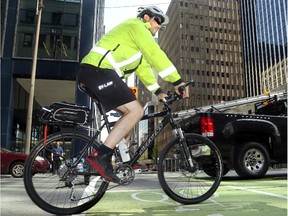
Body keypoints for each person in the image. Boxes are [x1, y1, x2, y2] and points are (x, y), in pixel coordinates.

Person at [77, 6, 189, 183]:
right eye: (157, 21)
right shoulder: (136, 26)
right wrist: (177, 81)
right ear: (146, 18)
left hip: (99, 74)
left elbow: (144, 71)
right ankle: (101, 156)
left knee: (129, 115)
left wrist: (159, 92)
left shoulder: (137, 50)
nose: (159, 26)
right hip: (97, 70)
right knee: (136, 111)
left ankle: (126, 159)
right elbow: (155, 53)